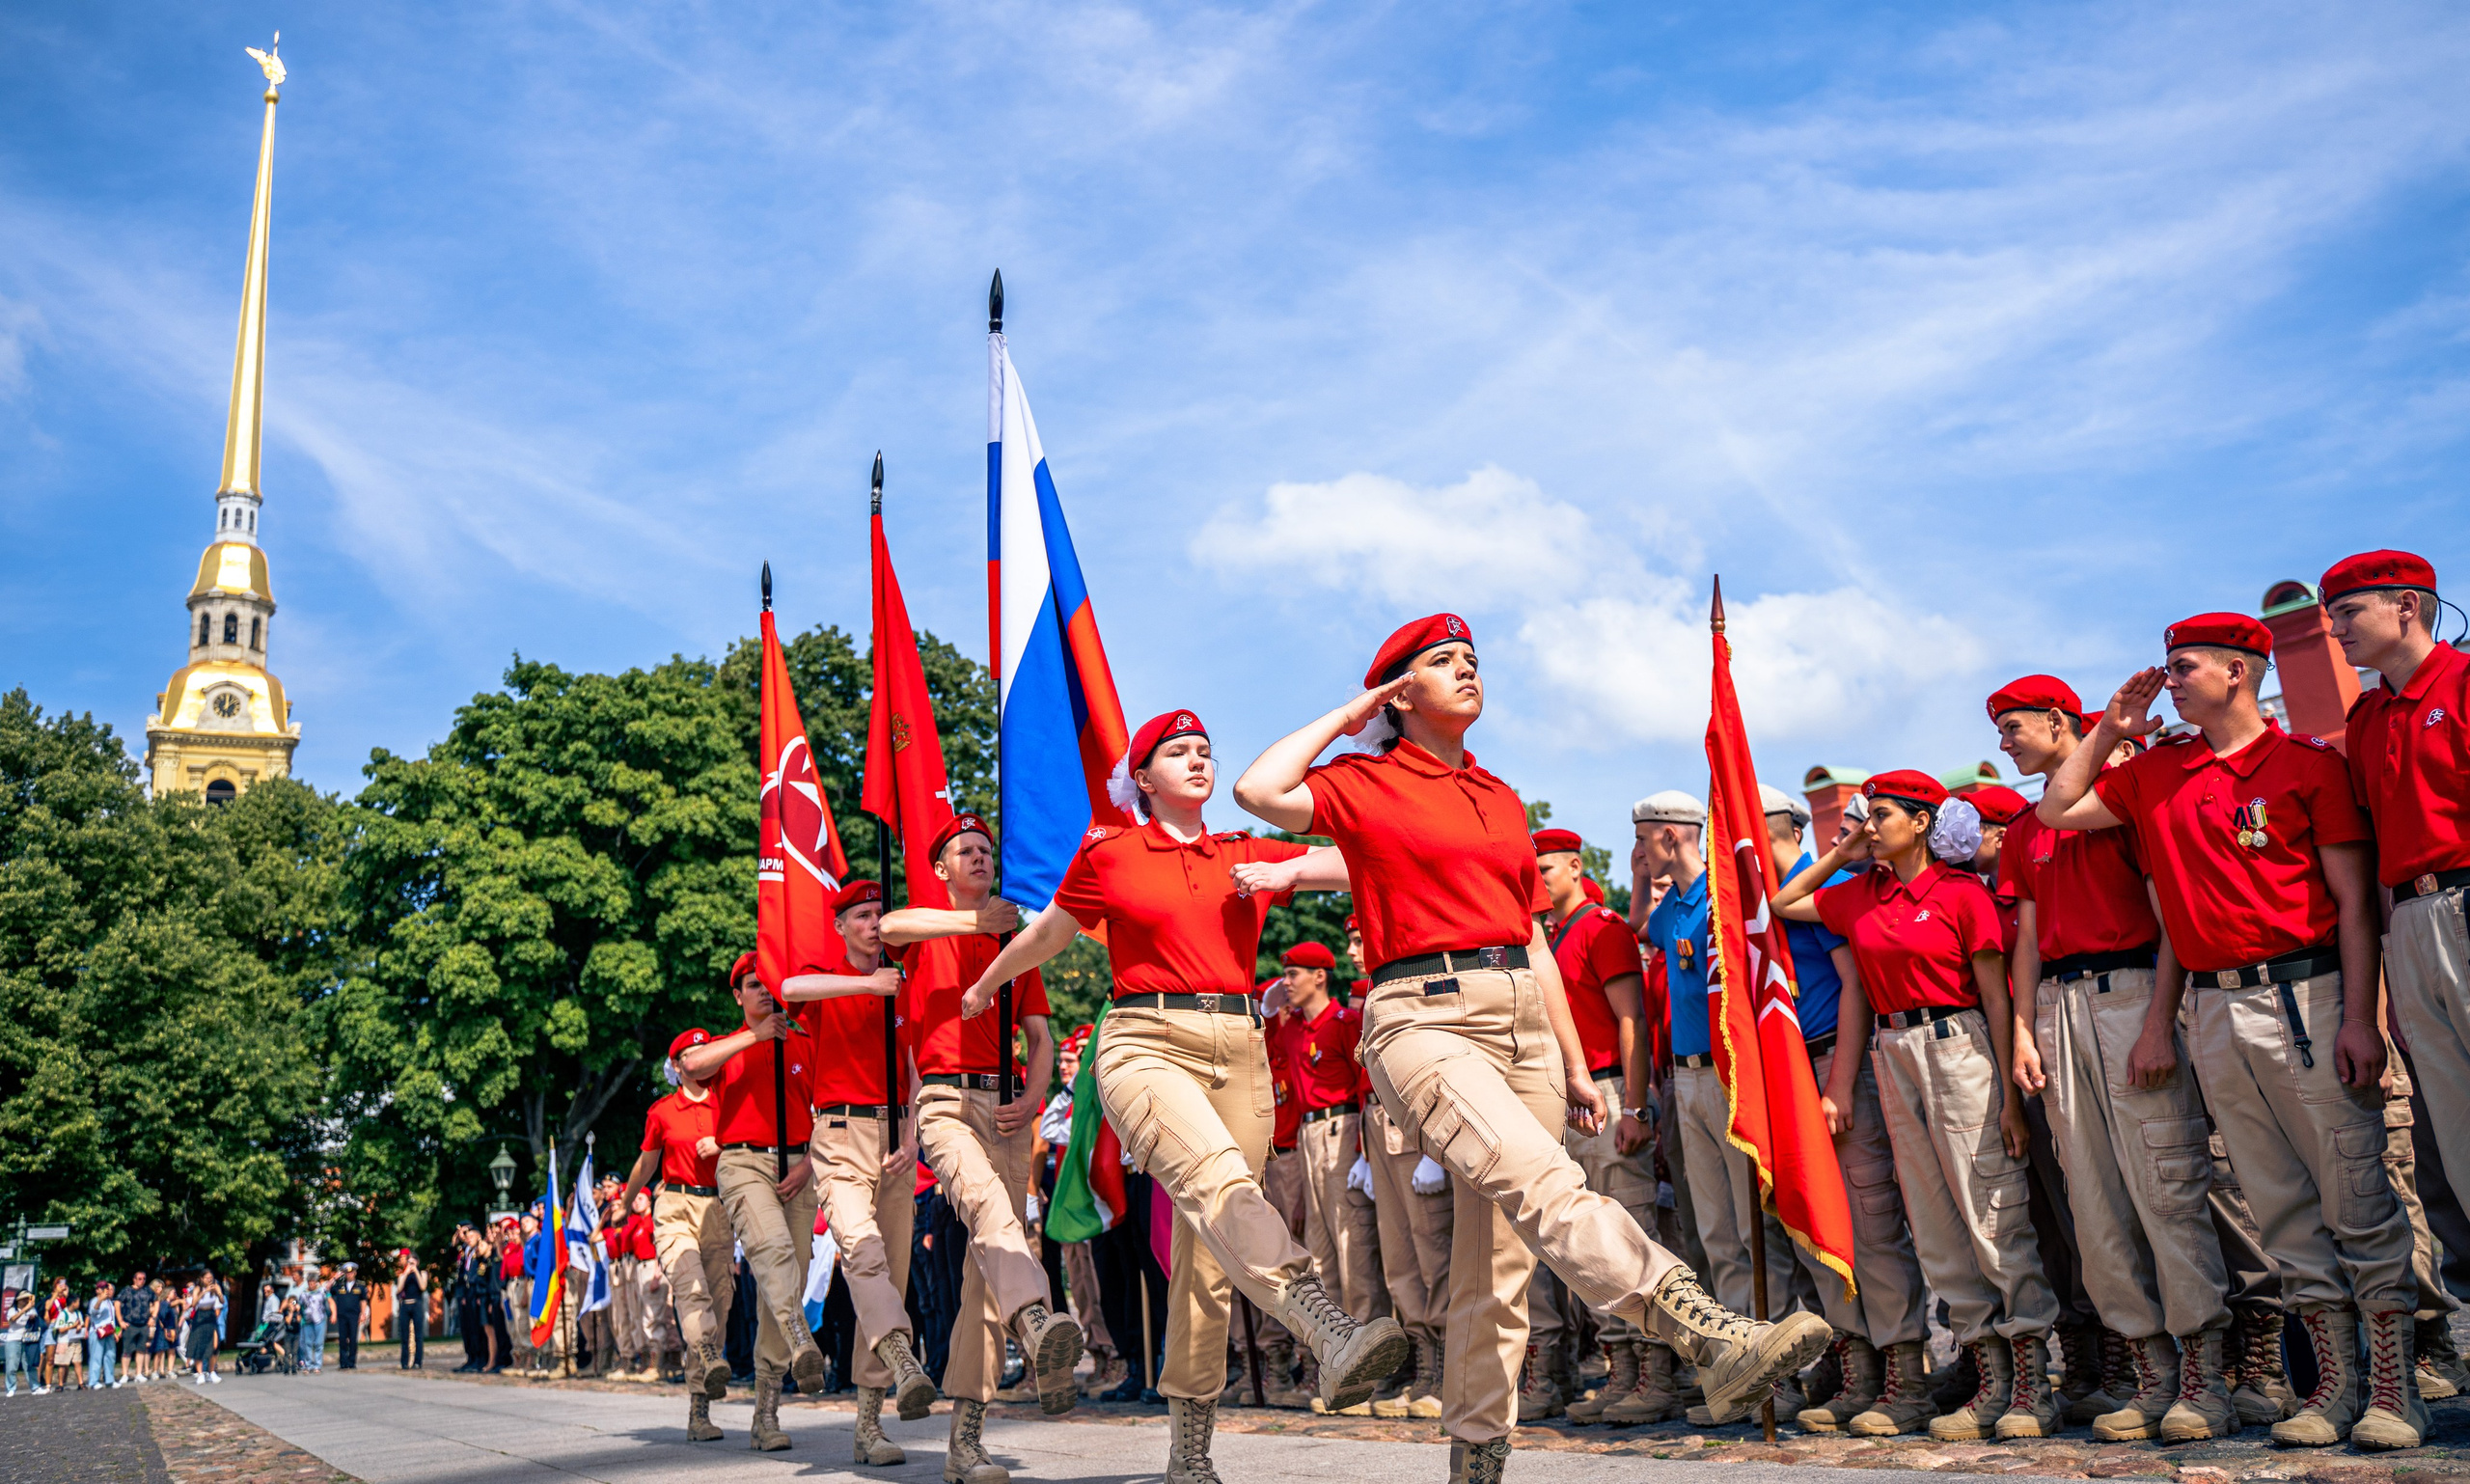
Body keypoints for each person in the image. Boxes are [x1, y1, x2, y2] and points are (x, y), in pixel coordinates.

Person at [1234, 613, 1830, 1483]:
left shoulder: (1500, 796)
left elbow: (1533, 939)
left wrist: (1576, 1064)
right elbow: (1258, 789)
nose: (1468, 669)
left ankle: (1476, 1462)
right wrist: (1358, 709)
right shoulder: (1363, 778)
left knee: (1499, 1268)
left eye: (1473, 658)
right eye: (1442, 661)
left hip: (1518, 1013)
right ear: (1401, 693)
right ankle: (1701, 1327)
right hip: (1421, 1016)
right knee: (1544, 1184)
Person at [964, 707, 1408, 1484]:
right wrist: (987, 982)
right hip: (1143, 1040)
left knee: (1210, 1254)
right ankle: (1324, 1326)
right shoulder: (1112, 852)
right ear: (1143, 777)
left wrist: (1289, 870)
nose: (1199, 760)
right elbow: (1049, 935)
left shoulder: (1243, 848)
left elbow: (1370, 857)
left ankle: (1189, 1450)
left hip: (1236, 1048)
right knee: (1219, 1182)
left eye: (1206, 749)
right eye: (1178, 751)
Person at [2035, 613, 2422, 1449]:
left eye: (2182, 668)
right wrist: (2110, 728)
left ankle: (2395, 1386)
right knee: (2280, 1208)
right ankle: (2330, 1388)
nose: (2166, 682)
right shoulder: (2158, 774)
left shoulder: (2305, 767)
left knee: (2355, 1190)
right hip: (2211, 1006)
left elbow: (2356, 905)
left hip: (2305, 994)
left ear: (2238, 672)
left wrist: (2363, 1016)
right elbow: (2059, 808)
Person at [1772, 769, 2061, 1441]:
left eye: (1881, 817)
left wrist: (2011, 1104)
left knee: (1991, 1209)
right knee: (1933, 1220)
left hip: (1960, 1042)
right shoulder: (1860, 893)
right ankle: (1987, 1380)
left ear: (1923, 821)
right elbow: (1788, 901)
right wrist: (1841, 855)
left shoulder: (1960, 894)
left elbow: (1996, 997)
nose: (1870, 828)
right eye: (1865, 817)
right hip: (1892, 1050)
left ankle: (2031, 1383)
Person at [1989, 674, 2241, 1442]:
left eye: (2014, 726)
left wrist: (2160, 1021)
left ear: (2062, 721)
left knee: (2166, 1187)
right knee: (2095, 1203)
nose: (2003, 742)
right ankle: (2150, 1374)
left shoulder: (2128, 793)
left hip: (2132, 992)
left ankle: (2206, 1378)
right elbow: (2027, 942)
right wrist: (2025, 1033)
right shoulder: (2034, 825)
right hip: (2060, 1012)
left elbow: (2170, 915)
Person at [881, 812, 1084, 1484]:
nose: (979, 857)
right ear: (940, 868)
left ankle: (965, 1443)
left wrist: (1036, 1093)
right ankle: (1038, 1318)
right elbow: (890, 928)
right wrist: (975, 925)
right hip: (942, 1102)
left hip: (1004, 1107)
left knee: (985, 1280)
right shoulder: (932, 929)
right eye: (964, 850)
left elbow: (1041, 1035)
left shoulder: (1015, 947)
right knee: (990, 1208)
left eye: (986, 850)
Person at [1755, 785, 1935, 1437]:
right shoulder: (1759, 904)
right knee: (1814, 1224)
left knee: (1870, 1221)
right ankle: (1857, 1363)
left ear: (1784, 831)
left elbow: (1854, 980)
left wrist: (1837, 1083)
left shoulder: (1816, 884)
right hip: (1788, 1068)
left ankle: (1905, 1373)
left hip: (1836, 1062)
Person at [2325, 552, 2470, 1354]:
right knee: (2454, 1138)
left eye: (2349, 613)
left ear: (2408, 605)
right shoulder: (2367, 719)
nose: (2336, 630)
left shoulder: (2462, 683)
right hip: (2412, 925)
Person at [1636, 789, 1802, 1407]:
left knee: (1752, 1224)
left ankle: (1778, 1374)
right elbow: (1644, 929)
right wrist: (1638, 875)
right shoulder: (1675, 905)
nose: (1639, 851)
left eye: (1645, 839)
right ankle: (1743, 1365)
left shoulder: (1721, 898)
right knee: (1714, 1233)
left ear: (1673, 837)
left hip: (1730, 1074)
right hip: (1686, 1079)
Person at [776, 878, 940, 1464]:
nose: (875, 924)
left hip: (895, 1136)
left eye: (880, 914)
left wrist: (914, 1132)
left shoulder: (903, 981)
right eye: (863, 916)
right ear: (841, 925)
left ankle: (870, 1427)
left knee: (889, 1274)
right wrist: (866, 984)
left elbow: (919, 1063)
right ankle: (901, 1354)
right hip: (839, 1133)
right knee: (860, 1248)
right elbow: (790, 987)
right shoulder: (826, 979)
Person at [1526, 826, 1670, 1427]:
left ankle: (1657, 1374)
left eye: (1546, 869)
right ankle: (1623, 1372)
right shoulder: (1555, 938)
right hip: (1572, 1099)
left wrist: (1635, 1107)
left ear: (1576, 866)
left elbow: (1631, 1020)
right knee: (1592, 1247)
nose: (1537, 881)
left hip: (1609, 1091)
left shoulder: (1601, 928)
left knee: (1631, 1230)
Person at [676, 957, 823, 1453]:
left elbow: (826, 1109)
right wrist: (755, 1036)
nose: (764, 991)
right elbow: (693, 1066)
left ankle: (766, 1411)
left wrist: (808, 1163)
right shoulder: (726, 1048)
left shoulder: (805, 1042)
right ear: (738, 995)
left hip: (799, 1168)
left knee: (783, 1286)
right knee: (775, 1250)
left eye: (770, 984)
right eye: (752, 985)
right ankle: (801, 1334)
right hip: (742, 1164)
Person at [1349, 912, 1457, 1423]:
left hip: (1415, 1121)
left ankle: (1448, 1372)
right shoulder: (1373, 989)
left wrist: (1435, 1151)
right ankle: (1425, 1367)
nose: (1353, 949)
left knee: (1433, 1248)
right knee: (1400, 1259)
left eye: (1358, 938)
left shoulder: (1409, 976)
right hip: (1379, 1125)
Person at [1274, 940, 1384, 1388]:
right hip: (1307, 1134)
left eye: (1294, 974)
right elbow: (1269, 1055)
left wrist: (1363, 1151)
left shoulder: (1345, 1022)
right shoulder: (1293, 1027)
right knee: (1318, 1255)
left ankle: (1370, 1355)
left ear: (1320, 976)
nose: (1287, 982)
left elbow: (1363, 1085)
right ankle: (1336, 1354)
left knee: (1352, 1243)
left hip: (1341, 1127)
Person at [188, 1277, 223, 1383]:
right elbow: (194, 1304)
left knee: (214, 1345)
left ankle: (212, 1372)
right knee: (199, 1345)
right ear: (202, 1278)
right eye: (207, 1278)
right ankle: (200, 1374)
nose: (209, 1280)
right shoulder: (198, 1289)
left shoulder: (215, 1288)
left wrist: (218, 1292)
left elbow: (222, 1301)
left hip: (211, 1316)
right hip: (200, 1316)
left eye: (211, 1278)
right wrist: (204, 1292)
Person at [395, 1250, 425, 1371]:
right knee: (404, 1336)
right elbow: (399, 1289)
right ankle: (404, 1362)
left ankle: (417, 1361)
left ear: (417, 1262)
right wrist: (406, 1273)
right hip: (405, 1305)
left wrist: (416, 1271)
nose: (410, 1265)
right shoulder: (402, 1275)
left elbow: (423, 1286)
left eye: (412, 1262)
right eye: (408, 1262)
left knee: (418, 1335)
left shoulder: (422, 1273)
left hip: (417, 1304)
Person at [333, 1263, 366, 1371]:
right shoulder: (339, 1285)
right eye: (347, 1273)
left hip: (354, 1315)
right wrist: (334, 1278)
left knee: (353, 1339)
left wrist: (363, 1313)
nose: (349, 1275)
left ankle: (351, 1362)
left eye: (351, 1272)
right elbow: (327, 1289)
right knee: (342, 1339)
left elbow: (363, 1300)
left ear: (355, 1273)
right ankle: (343, 1362)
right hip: (342, 1316)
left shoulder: (360, 1286)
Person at [3, 1291, 36, 1396]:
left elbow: (34, 1318)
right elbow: (12, 1320)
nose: (26, 1301)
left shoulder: (31, 1309)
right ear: (18, 1300)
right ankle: (11, 1388)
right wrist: (24, 1310)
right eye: (24, 1299)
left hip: (27, 1339)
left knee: (29, 1365)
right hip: (13, 1339)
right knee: (12, 1365)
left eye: (28, 1298)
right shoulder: (12, 1310)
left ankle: (35, 1387)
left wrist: (31, 1307)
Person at [89, 1281, 119, 1388]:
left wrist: (116, 1331)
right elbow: (93, 1313)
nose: (106, 1290)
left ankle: (109, 1380)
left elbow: (112, 1319)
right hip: (97, 1332)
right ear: (97, 1290)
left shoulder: (110, 1302)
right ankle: (93, 1381)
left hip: (109, 1331)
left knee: (110, 1356)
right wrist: (100, 1300)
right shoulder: (94, 1301)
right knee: (96, 1357)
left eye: (107, 1288)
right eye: (103, 1288)